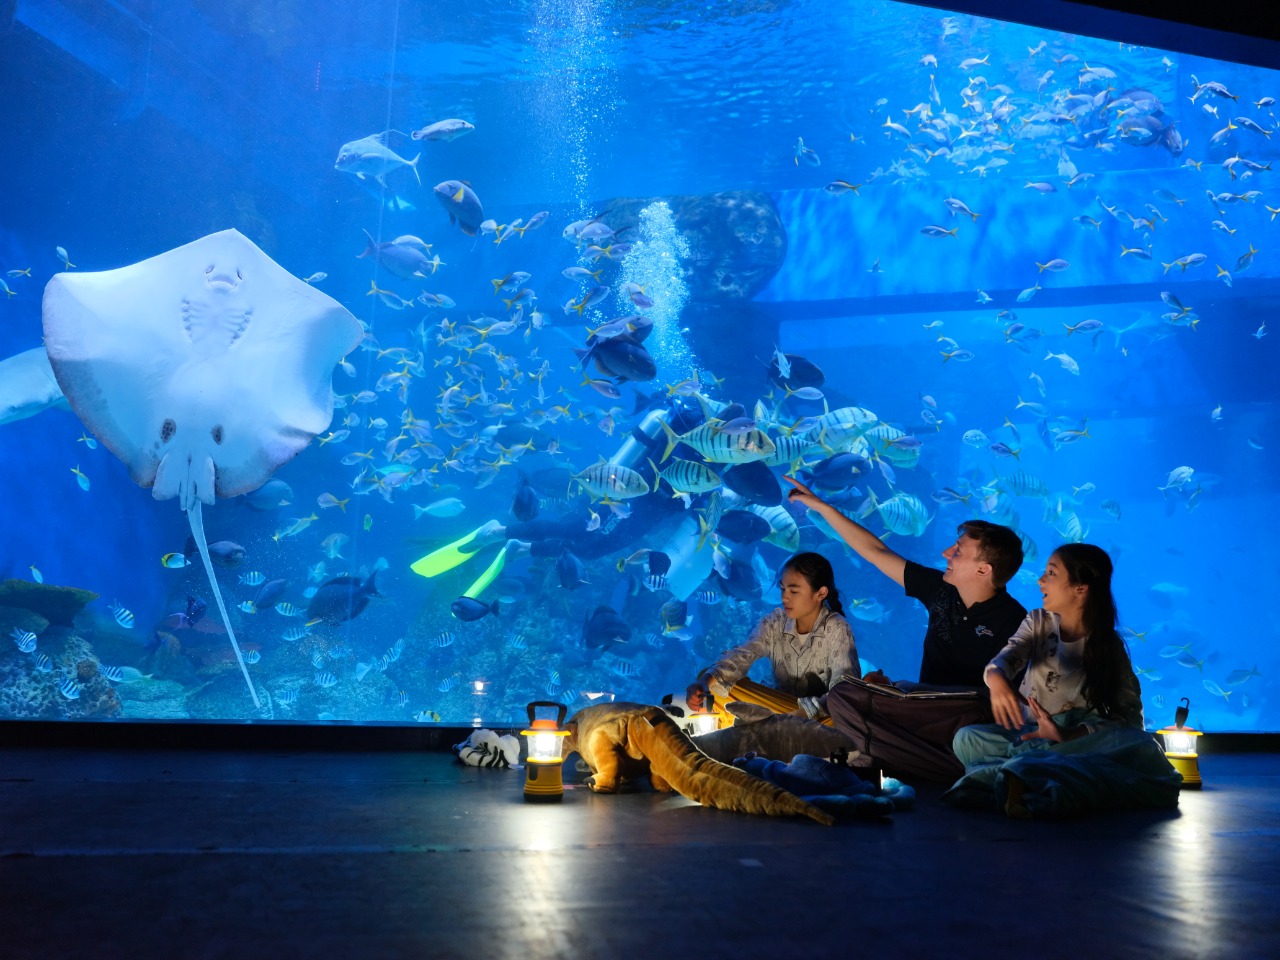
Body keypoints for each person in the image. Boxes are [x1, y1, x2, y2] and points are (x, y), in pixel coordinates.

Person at [782, 476, 1027, 782]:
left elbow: (1007, 700)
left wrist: (899, 693)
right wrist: (822, 506)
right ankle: (925, 764)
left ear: (983, 569)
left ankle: (898, 760)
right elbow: (875, 551)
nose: (946, 553)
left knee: (847, 696)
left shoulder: (1015, 619)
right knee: (852, 695)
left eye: (959, 551)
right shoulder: (940, 591)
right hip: (920, 712)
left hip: (968, 717)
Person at [944, 543, 1181, 817]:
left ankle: (1015, 772)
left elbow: (1129, 723)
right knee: (966, 738)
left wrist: (1069, 734)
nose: (1040, 580)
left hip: (1077, 739)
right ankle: (1029, 770)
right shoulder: (1037, 623)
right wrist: (996, 678)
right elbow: (1008, 657)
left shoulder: (1107, 646)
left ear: (1080, 588)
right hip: (1029, 736)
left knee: (1142, 746)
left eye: (1051, 573)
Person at [686, 552, 857, 725]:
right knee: (711, 682)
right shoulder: (776, 621)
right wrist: (704, 682)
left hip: (817, 719)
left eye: (794, 591)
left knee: (835, 719)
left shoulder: (837, 628)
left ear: (820, 593)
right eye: (783, 589)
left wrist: (804, 713)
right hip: (776, 705)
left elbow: (844, 689)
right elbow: (742, 655)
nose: (785, 597)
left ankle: (767, 728)